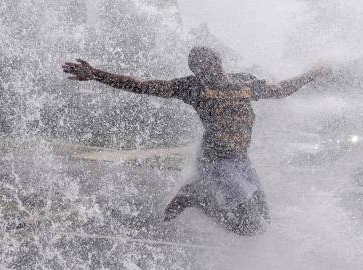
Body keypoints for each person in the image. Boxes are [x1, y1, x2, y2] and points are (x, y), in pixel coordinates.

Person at [63, 47, 330, 235]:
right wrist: (96, 74)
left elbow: (281, 89)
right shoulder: (193, 87)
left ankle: (196, 197)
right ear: (197, 72)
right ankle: (195, 197)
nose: (205, 71)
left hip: (240, 160)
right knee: (249, 228)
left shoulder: (244, 82)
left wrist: (311, 74)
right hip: (216, 162)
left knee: (263, 222)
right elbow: (142, 85)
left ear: (218, 61)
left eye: (208, 64)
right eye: (199, 69)